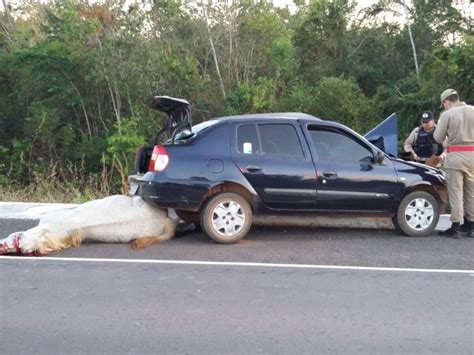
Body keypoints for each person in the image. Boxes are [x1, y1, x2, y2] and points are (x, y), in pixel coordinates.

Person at [434, 88, 474, 239]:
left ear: (446, 102)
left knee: (456, 192)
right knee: (471, 194)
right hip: (473, 157)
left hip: (456, 157)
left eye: (443, 104)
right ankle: (471, 227)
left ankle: (456, 227)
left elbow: (438, 138)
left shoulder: (447, 114)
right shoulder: (473, 110)